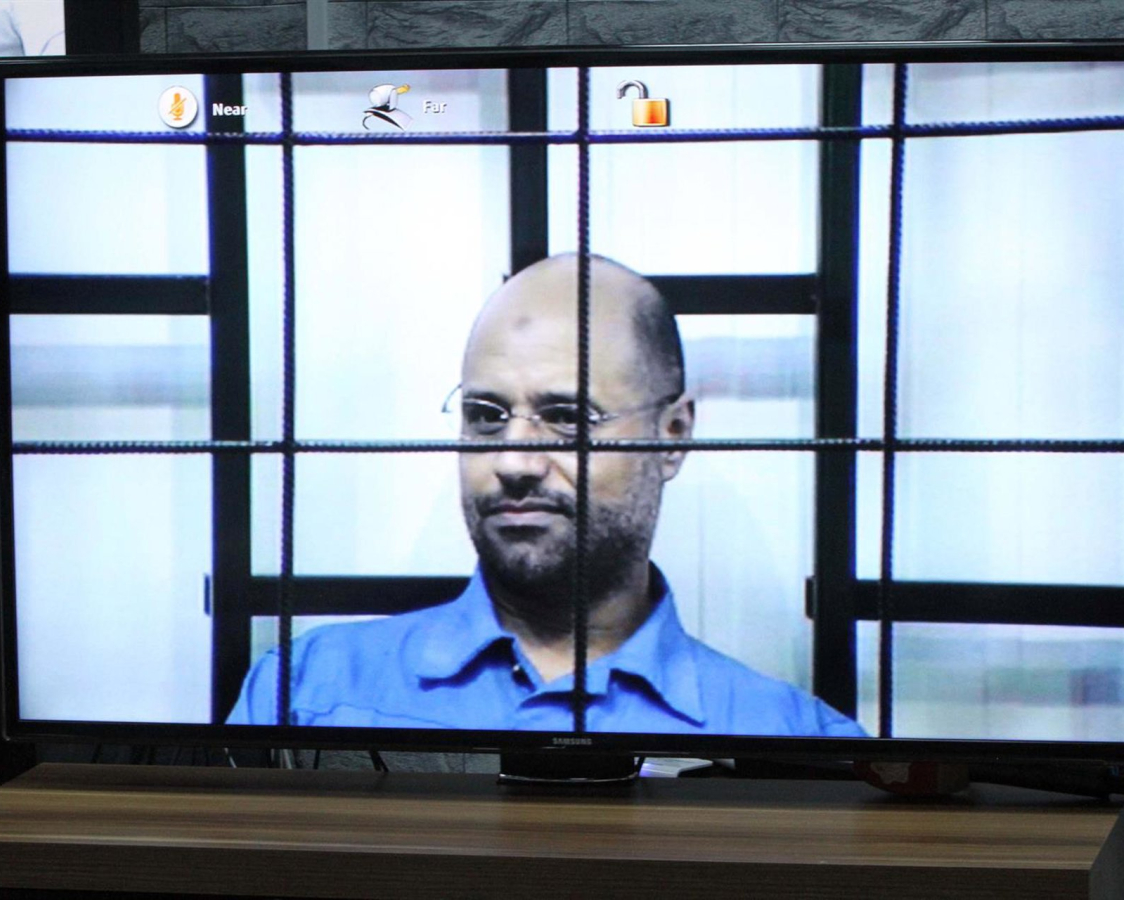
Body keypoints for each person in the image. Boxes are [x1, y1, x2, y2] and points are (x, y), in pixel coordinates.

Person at [228, 254, 865, 737]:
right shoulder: (306, 695)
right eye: (486, 417)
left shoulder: (794, 744)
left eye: (567, 418)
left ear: (672, 436)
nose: (514, 462)